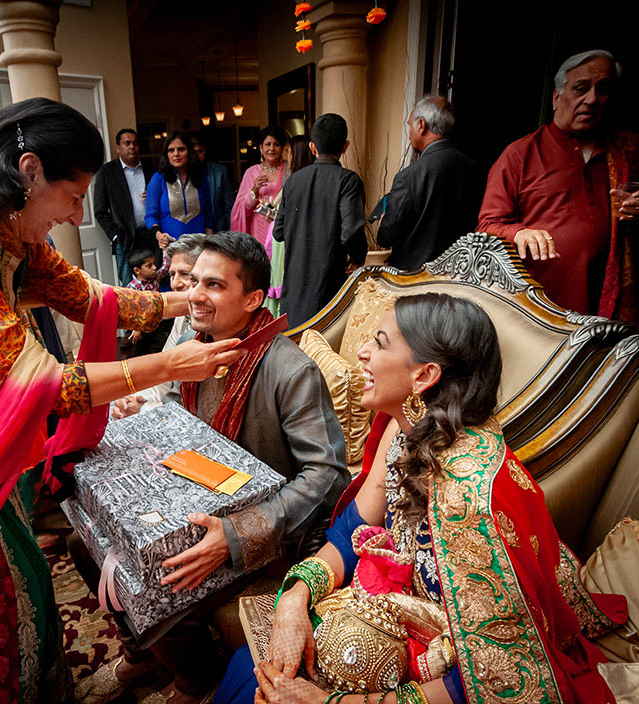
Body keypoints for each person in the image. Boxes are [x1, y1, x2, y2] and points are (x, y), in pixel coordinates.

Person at [0, 97, 244, 703]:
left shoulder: (0, 229)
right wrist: (164, 362)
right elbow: (37, 385)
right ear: (28, 172)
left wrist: (185, 301)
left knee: (10, 562)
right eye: (74, 195)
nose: (75, 214)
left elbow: (91, 298)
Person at [216, 292, 626, 704]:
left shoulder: (466, 498)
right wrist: (294, 596)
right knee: (249, 668)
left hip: (448, 658)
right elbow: (354, 528)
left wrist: (326, 703)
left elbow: (491, 679)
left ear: (425, 376)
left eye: (379, 342)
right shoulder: (408, 428)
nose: (361, 352)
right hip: (395, 613)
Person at [75, 231, 349, 704]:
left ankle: (196, 681)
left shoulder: (290, 370)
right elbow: (185, 432)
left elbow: (327, 476)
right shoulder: (197, 347)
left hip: (265, 531)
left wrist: (239, 532)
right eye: (194, 281)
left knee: (153, 585)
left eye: (215, 285)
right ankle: (144, 655)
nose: (195, 295)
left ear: (253, 300)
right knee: (83, 544)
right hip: (197, 500)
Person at [478, 50, 639, 322]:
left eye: (603, 89)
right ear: (556, 98)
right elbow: (487, 226)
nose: (591, 99)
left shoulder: (629, 152)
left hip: (608, 311)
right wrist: (520, 233)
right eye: (580, 88)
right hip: (538, 309)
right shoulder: (521, 154)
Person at [273, 113, 367, 328]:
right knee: (325, 349)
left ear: (312, 147)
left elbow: (278, 232)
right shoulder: (348, 181)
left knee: (295, 345)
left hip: (294, 286)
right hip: (328, 284)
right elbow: (351, 229)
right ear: (345, 146)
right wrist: (357, 259)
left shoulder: (293, 181)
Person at [376, 96, 481, 270]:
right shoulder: (474, 169)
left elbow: (386, 237)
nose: (409, 133)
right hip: (459, 276)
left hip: (415, 280)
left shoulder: (409, 176)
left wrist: (383, 223)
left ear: (421, 125)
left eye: (409, 125)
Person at [111, 233, 205, 417]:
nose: (175, 284)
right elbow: (166, 370)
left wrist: (144, 408)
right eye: (172, 274)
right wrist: (138, 398)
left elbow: (192, 405)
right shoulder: (183, 315)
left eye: (185, 274)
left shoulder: (212, 324)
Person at [93, 128, 158, 285]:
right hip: (125, 238)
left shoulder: (152, 169)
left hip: (151, 235)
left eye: (135, 144)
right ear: (118, 148)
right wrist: (115, 236)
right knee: (129, 287)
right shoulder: (107, 172)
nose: (131, 147)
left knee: (156, 279)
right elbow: (100, 211)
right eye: (127, 143)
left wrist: (153, 198)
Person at [264, 135, 313, 316]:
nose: (287, 157)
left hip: (282, 244)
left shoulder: (293, 184)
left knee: (280, 291)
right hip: (281, 242)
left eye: (289, 152)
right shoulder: (299, 183)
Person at [146, 131, 213, 249]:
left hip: (199, 247)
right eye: (171, 150)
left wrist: (209, 240)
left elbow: (208, 212)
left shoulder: (200, 177)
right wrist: (159, 235)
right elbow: (150, 216)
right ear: (166, 154)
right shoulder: (158, 179)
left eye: (181, 149)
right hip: (171, 246)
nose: (176, 154)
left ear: (189, 152)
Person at [231, 125, 287, 246]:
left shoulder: (289, 170)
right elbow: (241, 209)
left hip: (282, 227)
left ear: (282, 148)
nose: (272, 148)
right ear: (261, 148)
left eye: (276, 144)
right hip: (258, 229)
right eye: (268, 144)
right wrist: (254, 190)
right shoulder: (252, 172)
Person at [192, 132, 234, 231]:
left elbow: (229, 207)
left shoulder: (220, 172)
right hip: (191, 230)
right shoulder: (182, 174)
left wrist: (231, 233)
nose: (196, 156)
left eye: (199, 152)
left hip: (217, 230)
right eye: (193, 153)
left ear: (205, 150)